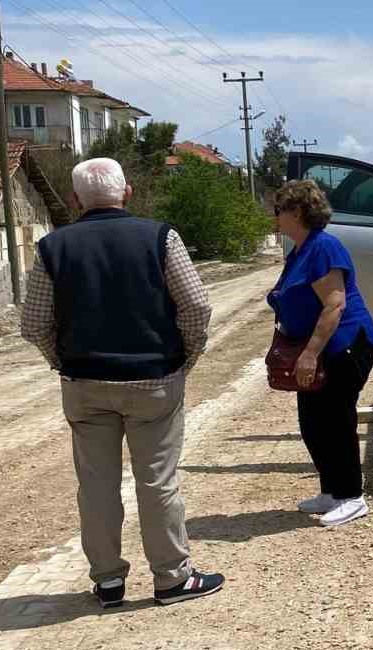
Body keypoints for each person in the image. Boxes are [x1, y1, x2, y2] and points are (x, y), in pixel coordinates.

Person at [20, 158, 222, 608]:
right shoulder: (161, 237)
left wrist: (61, 360)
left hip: (85, 383)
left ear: (74, 199)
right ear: (126, 192)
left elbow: (33, 324)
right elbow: (196, 306)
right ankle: (172, 578)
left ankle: (109, 581)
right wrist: (185, 359)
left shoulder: (52, 247)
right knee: (157, 482)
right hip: (153, 381)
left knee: (96, 486)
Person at [270, 178, 373, 528]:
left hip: (342, 346)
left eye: (279, 210)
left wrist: (309, 353)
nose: (275, 217)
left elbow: (335, 305)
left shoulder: (324, 247)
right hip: (316, 349)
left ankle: (352, 496)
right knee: (313, 423)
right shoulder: (300, 250)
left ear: (298, 212)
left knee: (336, 422)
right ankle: (331, 490)